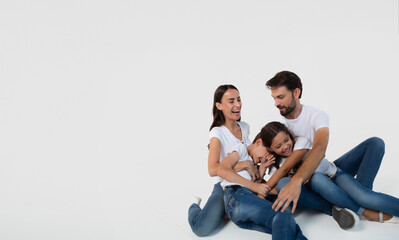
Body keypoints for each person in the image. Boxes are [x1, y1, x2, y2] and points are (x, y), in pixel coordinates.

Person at [264, 70, 386, 229]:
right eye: (274, 98)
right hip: (308, 182)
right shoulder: (277, 126)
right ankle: (334, 206)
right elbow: (265, 152)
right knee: (284, 184)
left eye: (280, 97)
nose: (276, 103)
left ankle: (360, 195)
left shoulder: (316, 115)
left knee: (375, 143)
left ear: (296, 92)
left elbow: (320, 148)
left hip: (324, 168)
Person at [261, 121, 399, 230]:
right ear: (270, 149)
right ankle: (363, 211)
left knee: (375, 144)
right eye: (278, 146)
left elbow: (287, 169)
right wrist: (262, 169)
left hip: (334, 174)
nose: (285, 147)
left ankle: (360, 200)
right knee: (315, 179)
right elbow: (278, 187)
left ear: (288, 134)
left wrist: (297, 177)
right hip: (319, 189)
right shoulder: (275, 166)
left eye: (286, 140)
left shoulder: (300, 142)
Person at [188, 84, 259, 237]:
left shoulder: (245, 127)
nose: (237, 105)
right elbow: (213, 170)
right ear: (219, 105)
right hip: (225, 186)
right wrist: (245, 165)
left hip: (248, 183)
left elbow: (250, 154)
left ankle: (229, 211)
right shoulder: (217, 132)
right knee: (201, 228)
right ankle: (194, 205)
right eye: (231, 101)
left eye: (239, 100)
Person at [218, 129, 307, 240]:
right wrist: (253, 183)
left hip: (241, 212)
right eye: (268, 152)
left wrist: (263, 167)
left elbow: (259, 187)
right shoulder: (241, 149)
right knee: (283, 216)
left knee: (288, 225)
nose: (266, 157)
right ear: (259, 142)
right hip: (236, 194)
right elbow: (221, 169)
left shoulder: (254, 166)